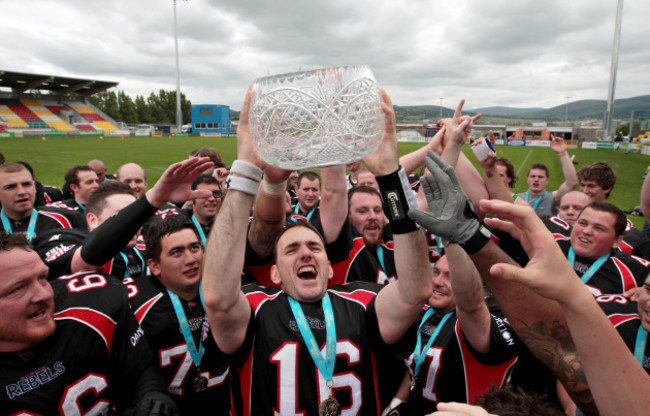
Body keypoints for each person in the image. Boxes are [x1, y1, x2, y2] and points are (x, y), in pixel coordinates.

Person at [202, 86, 433, 414]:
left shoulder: (362, 303)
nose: (306, 253)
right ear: (274, 273)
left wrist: (391, 180)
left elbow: (416, 291)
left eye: (314, 246)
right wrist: (245, 172)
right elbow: (216, 297)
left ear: (329, 266)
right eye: (291, 249)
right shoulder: (256, 309)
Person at [408, 151, 650, 415]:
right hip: (539, 370)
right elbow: (560, 345)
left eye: (600, 228)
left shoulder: (632, 271)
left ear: (618, 241)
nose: (587, 231)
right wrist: (470, 236)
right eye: (649, 288)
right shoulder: (557, 242)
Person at [0, 233, 179, 415]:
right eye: (18, 288)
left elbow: (139, 371)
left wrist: (151, 396)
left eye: (43, 278)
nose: (45, 295)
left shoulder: (89, 312)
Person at [33, 158, 214, 281]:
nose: (132, 224)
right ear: (92, 220)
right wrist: (154, 200)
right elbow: (86, 260)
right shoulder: (64, 239)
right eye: (121, 215)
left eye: (136, 218)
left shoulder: (146, 246)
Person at [387, 250, 517, 415]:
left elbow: (472, 308)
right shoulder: (424, 312)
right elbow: (419, 362)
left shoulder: (477, 320)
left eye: (450, 276)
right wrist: (398, 401)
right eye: (436, 272)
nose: (438, 282)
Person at [126, 215, 232, 413]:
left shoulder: (224, 291)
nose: (191, 259)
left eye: (194, 248)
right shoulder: (136, 305)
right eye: (177, 252)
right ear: (154, 266)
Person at [578, 161, 650, 259]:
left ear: (607, 188)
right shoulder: (569, 212)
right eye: (582, 185)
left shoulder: (620, 223)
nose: (585, 191)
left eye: (591, 186)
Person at [0, 163, 77, 243]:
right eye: (11, 187)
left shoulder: (64, 219)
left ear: (34, 186)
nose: (21, 192)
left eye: (26, 184)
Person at [514, 136, 578, 217]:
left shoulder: (552, 198)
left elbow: (572, 183)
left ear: (547, 180)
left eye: (540, 177)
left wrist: (563, 154)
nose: (536, 179)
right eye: (533, 176)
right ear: (527, 179)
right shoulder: (517, 198)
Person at [183, 174, 222, 246]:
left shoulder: (229, 227)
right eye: (204, 194)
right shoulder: (181, 229)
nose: (212, 199)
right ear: (191, 199)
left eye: (216, 194)